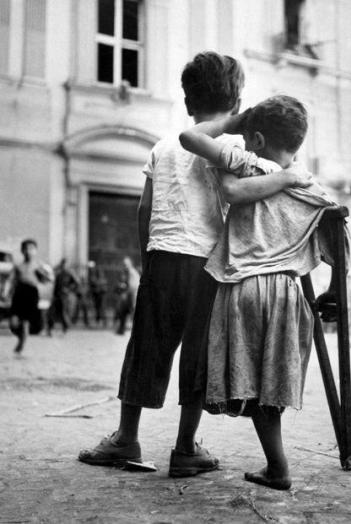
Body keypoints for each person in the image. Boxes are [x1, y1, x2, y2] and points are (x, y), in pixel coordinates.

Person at [78, 52, 312, 476]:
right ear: (238, 100)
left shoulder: (164, 146)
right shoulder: (238, 148)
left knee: (147, 348)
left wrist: (147, 256)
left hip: (163, 258)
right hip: (209, 266)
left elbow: (144, 209)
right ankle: (185, 448)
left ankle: (126, 438)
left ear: (188, 101)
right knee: (199, 357)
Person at [179, 95, 340, 490]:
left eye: (250, 138)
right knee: (273, 383)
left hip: (244, 287)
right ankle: (276, 465)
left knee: (251, 382)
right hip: (288, 295)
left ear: (258, 138)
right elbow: (339, 243)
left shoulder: (251, 163)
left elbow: (189, 136)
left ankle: (279, 467)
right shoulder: (313, 189)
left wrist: (234, 123)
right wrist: (334, 291)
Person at [9, 239, 53, 353]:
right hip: (19, 292)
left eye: (32, 249)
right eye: (26, 249)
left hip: (31, 292)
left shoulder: (39, 265)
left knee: (25, 320)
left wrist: (44, 276)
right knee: (13, 323)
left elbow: (49, 280)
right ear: (22, 251)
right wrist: (5, 292)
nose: (29, 251)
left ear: (35, 251)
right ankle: (20, 337)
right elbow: (11, 280)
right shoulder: (18, 266)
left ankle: (22, 342)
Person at [47, 258, 79, 334]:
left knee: (63, 312)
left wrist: (68, 289)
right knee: (52, 312)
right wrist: (53, 295)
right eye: (63, 264)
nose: (64, 266)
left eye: (65, 264)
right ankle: (50, 328)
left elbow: (76, 283)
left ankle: (66, 327)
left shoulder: (70, 274)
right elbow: (56, 285)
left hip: (65, 296)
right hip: (57, 296)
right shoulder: (59, 274)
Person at [114, 257, 140, 335]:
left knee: (129, 312)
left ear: (130, 264)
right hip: (128, 295)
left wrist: (125, 287)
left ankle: (128, 329)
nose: (125, 265)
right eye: (124, 264)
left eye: (126, 264)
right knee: (124, 312)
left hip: (131, 295)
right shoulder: (127, 272)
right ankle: (121, 329)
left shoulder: (132, 272)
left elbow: (134, 285)